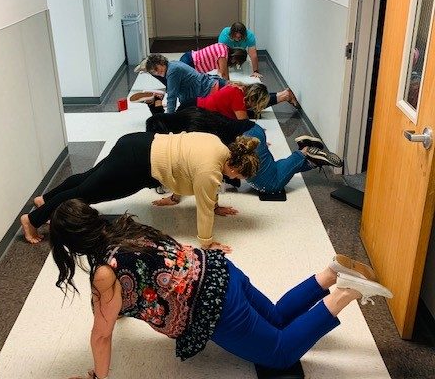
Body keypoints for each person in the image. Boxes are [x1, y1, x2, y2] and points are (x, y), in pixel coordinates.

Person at [50, 201, 393, 379]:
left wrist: (98, 376)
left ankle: (345, 292)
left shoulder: (104, 275)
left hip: (213, 308)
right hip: (220, 270)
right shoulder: (125, 227)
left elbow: (101, 336)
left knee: (280, 353)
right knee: (274, 315)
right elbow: (142, 278)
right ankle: (331, 272)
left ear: (69, 245)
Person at [20, 131, 259, 249]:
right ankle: (32, 219)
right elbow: (203, 206)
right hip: (137, 164)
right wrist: (207, 242)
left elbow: (185, 164)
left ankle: (45, 200)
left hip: (137, 143)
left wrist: (211, 204)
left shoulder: (216, 143)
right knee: (86, 193)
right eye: (239, 174)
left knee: (86, 179)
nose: (236, 179)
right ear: (235, 164)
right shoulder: (211, 171)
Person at [146, 107, 343, 195]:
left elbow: (216, 156)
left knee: (269, 185)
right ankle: (307, 155)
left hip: (248, 140)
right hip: (249, 129)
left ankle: (304, 153)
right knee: (270, 170)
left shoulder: (191, 130)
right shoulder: (186, 114)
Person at [144, 54, 227, 113]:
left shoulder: (172, 71)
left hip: (211, 89)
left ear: (161, 62)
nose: (157, 72)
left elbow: (172, 96)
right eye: (153, 71)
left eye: (156, 68)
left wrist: (169, 118)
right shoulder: (172, 64)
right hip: (211, 85)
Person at [179, 43, 247, 80]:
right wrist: (230, 88)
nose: (234, 63)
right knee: (183, 85)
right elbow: (224, 74)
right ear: (236, 57)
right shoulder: (223, 54)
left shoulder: (224, 48)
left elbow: (223, 73)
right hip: (191, 62)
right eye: (236, 62)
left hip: (189, 59)